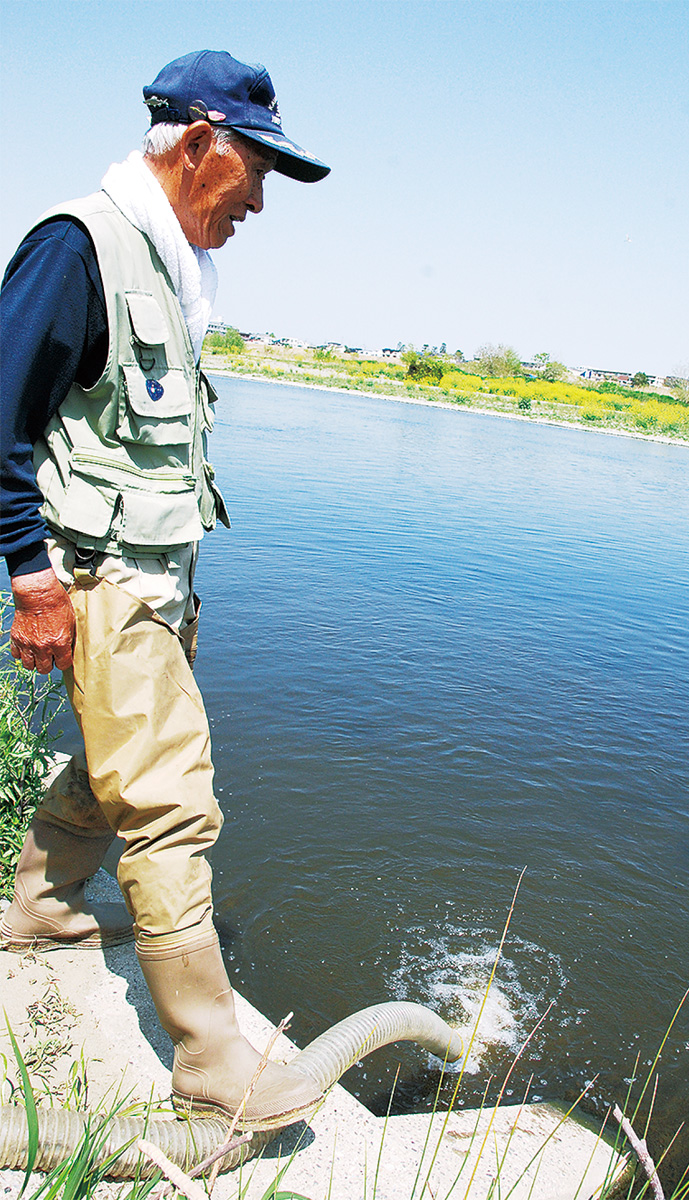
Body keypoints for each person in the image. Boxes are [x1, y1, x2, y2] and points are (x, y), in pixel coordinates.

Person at [0, 51, 331, 1130]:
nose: (261, 202)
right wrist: (31, 579)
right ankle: (211, 1064)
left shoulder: (169, 264)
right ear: (199, 146)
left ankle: (42, 911)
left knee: (117, 768)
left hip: (154, 587)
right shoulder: (78, 246)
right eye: (257, 172)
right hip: (100, 586)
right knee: (174, 803)